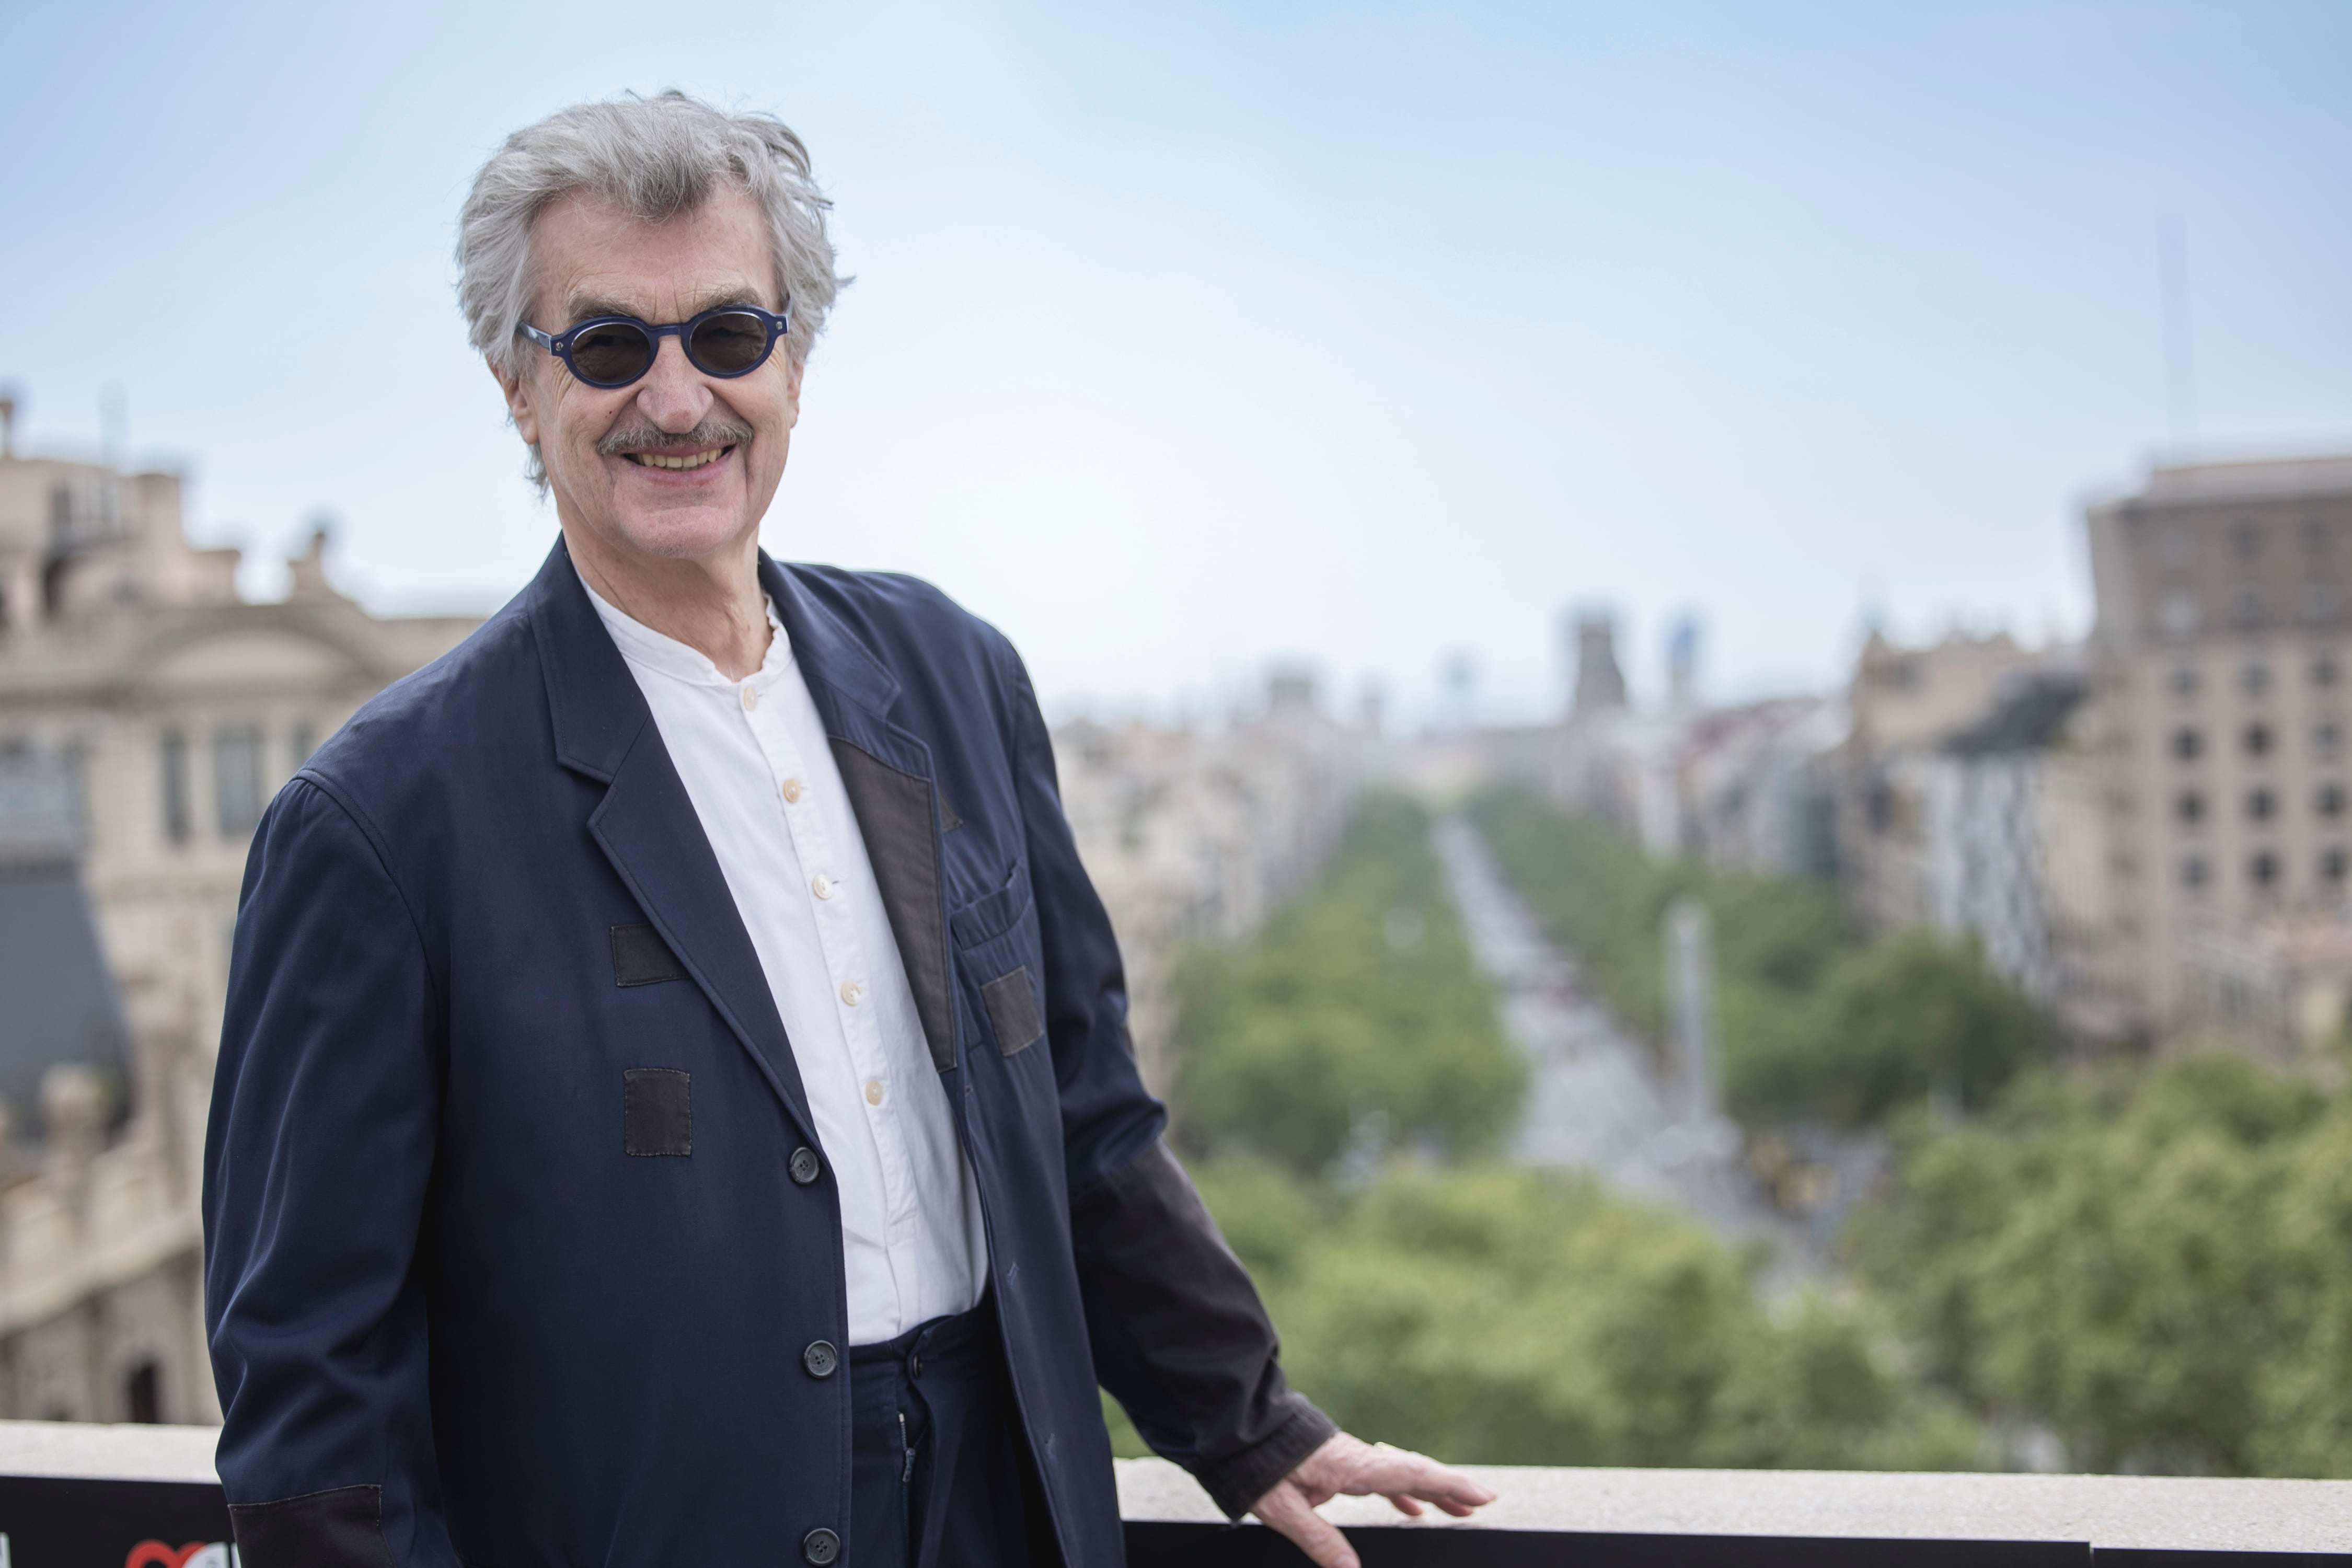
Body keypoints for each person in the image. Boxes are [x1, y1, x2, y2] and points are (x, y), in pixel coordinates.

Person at [202, 93, 1493, 1568]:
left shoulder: (952, 676)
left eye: (730, 337)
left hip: (1003, 1502)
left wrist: (1247, 1421)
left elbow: (1078, 1111)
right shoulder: (376, 823)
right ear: (516, 384)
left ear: (795, 360)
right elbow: (312, 1376)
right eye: (611, 344)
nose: (678, 401)